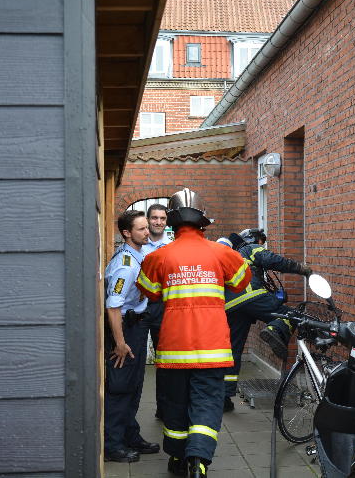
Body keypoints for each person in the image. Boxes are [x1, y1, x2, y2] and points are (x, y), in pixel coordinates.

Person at [136, 188, 251, 478]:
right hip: (213, 348)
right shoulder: (222, 253)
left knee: (175, 404)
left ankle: (177, 458)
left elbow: (149, 291)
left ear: (173, 222)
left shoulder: (158, 257)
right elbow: (241, 281)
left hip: (174, 347)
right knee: (207, 403)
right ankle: (198, 460)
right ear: (203, 221)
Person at [219, 228, 312, 412]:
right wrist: (301, 269)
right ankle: (274, 330)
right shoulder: (249, 248)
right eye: (262, 242)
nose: (263, 246)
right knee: (288, 314)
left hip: (231, 306)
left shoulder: (231, 256)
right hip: (250, 295)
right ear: (253, 239)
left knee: (233, 350)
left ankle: (224, 398)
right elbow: (273, 260)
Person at [104, 210, 160, 462]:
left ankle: (130, 434)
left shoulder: (138, 255)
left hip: (136, 326)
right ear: (127, 233)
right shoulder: (125, 267)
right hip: (125, 329)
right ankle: (113, 445)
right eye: (141, 229)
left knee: (134, 385)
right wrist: (120, 344)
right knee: (121, 387)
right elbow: (113, 306)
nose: (147, 232)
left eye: (147, 228)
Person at [140, 203, 172, 419]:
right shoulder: (138, 247)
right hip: (140, 309)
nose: (158, 222)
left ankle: (163, 408)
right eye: (154, 218)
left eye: (162, 218)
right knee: (135, 359)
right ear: (148, 220)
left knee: (164, 361)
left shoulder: (172, 248)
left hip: (163, 309)